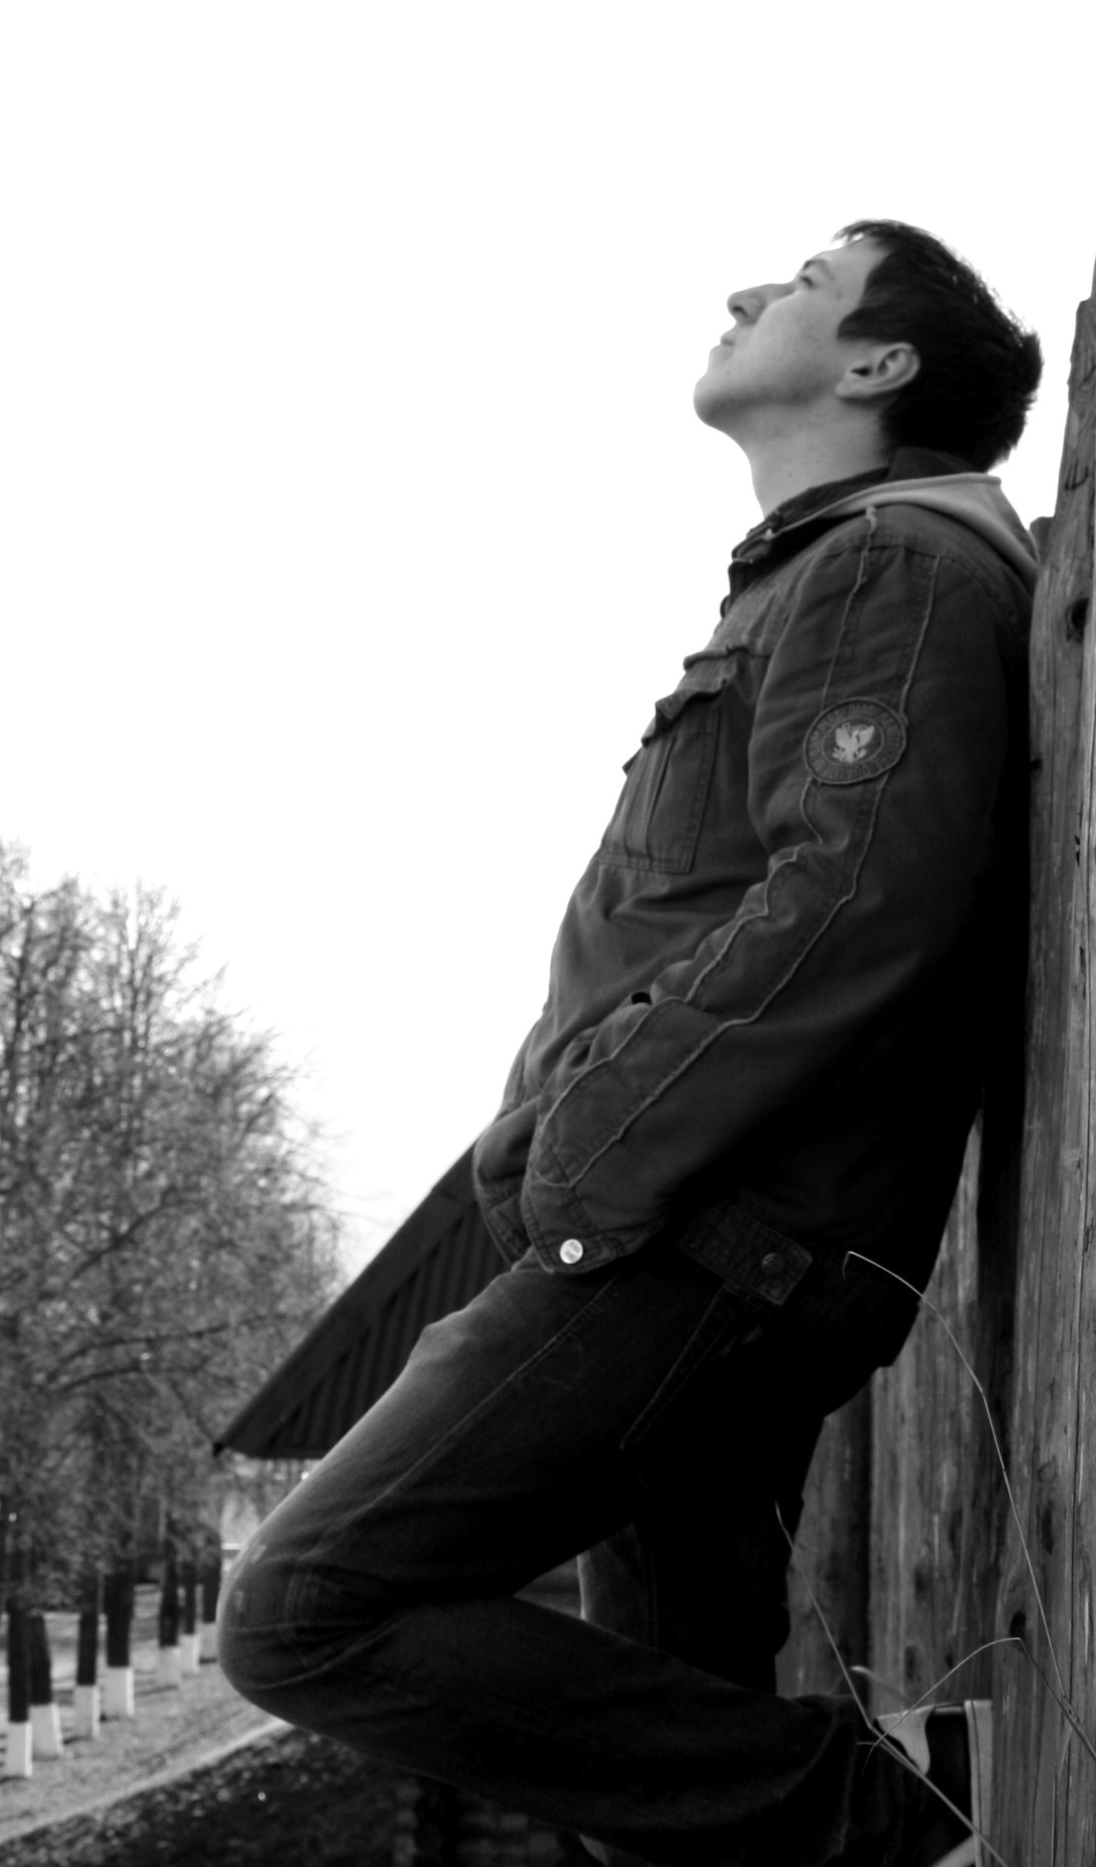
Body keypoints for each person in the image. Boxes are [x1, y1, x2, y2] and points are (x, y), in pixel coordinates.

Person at [219, 221, 1042, 1865]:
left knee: (307, 1610)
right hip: (703, 1217)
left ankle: (915, 1819)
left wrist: (591, 1147)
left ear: (877, 365)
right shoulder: (831, 568)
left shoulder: (892, 566)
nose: (744, 294)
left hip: (710, 1232)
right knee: (669, 1743)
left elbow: (849, 902)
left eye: (804, 284)